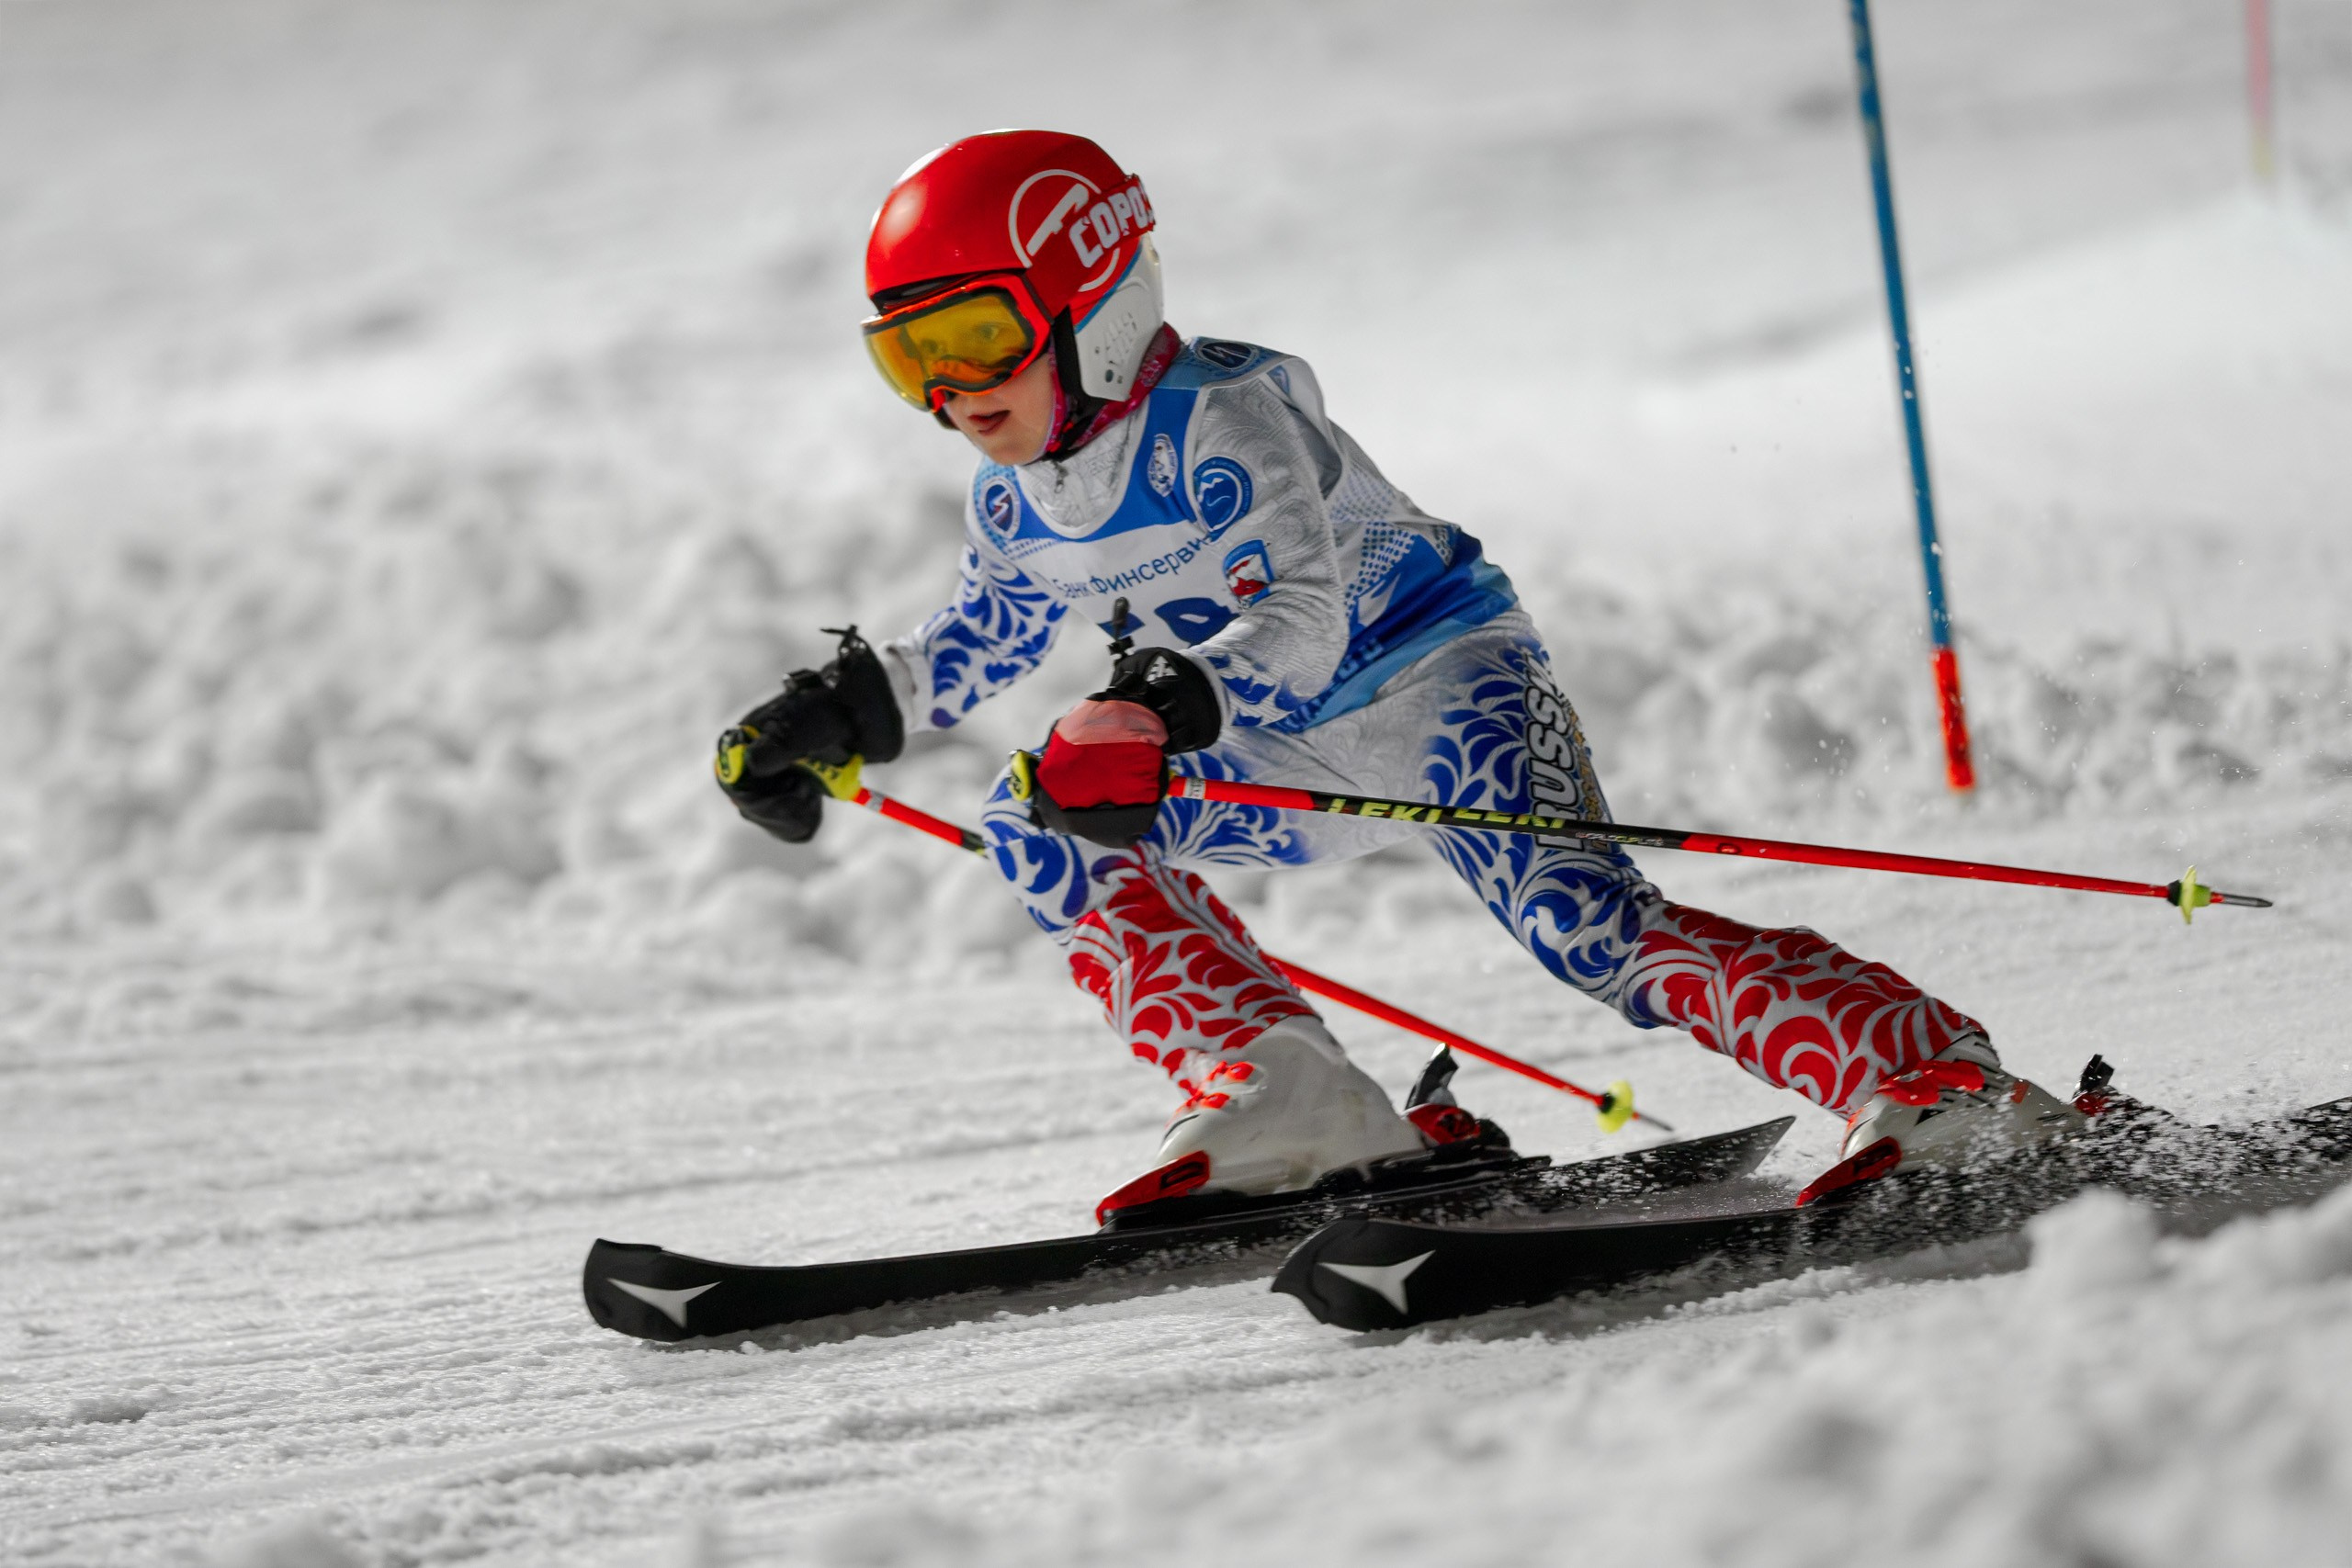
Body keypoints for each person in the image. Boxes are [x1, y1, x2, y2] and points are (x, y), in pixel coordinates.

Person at [717, 130, 2085, 1218]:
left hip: (1442, 686)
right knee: (1035, 816)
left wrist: (1158, 710)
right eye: (910, 360)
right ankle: (1285, 1094)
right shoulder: (1022, 499)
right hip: (1288, 753)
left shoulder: (1223, 423)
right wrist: (836, 716)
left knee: (1589, 933)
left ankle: (1934, 1082)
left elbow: (1303, 615)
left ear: (1092, 299)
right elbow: (983, 640)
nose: (949, 393)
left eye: (973, 341)